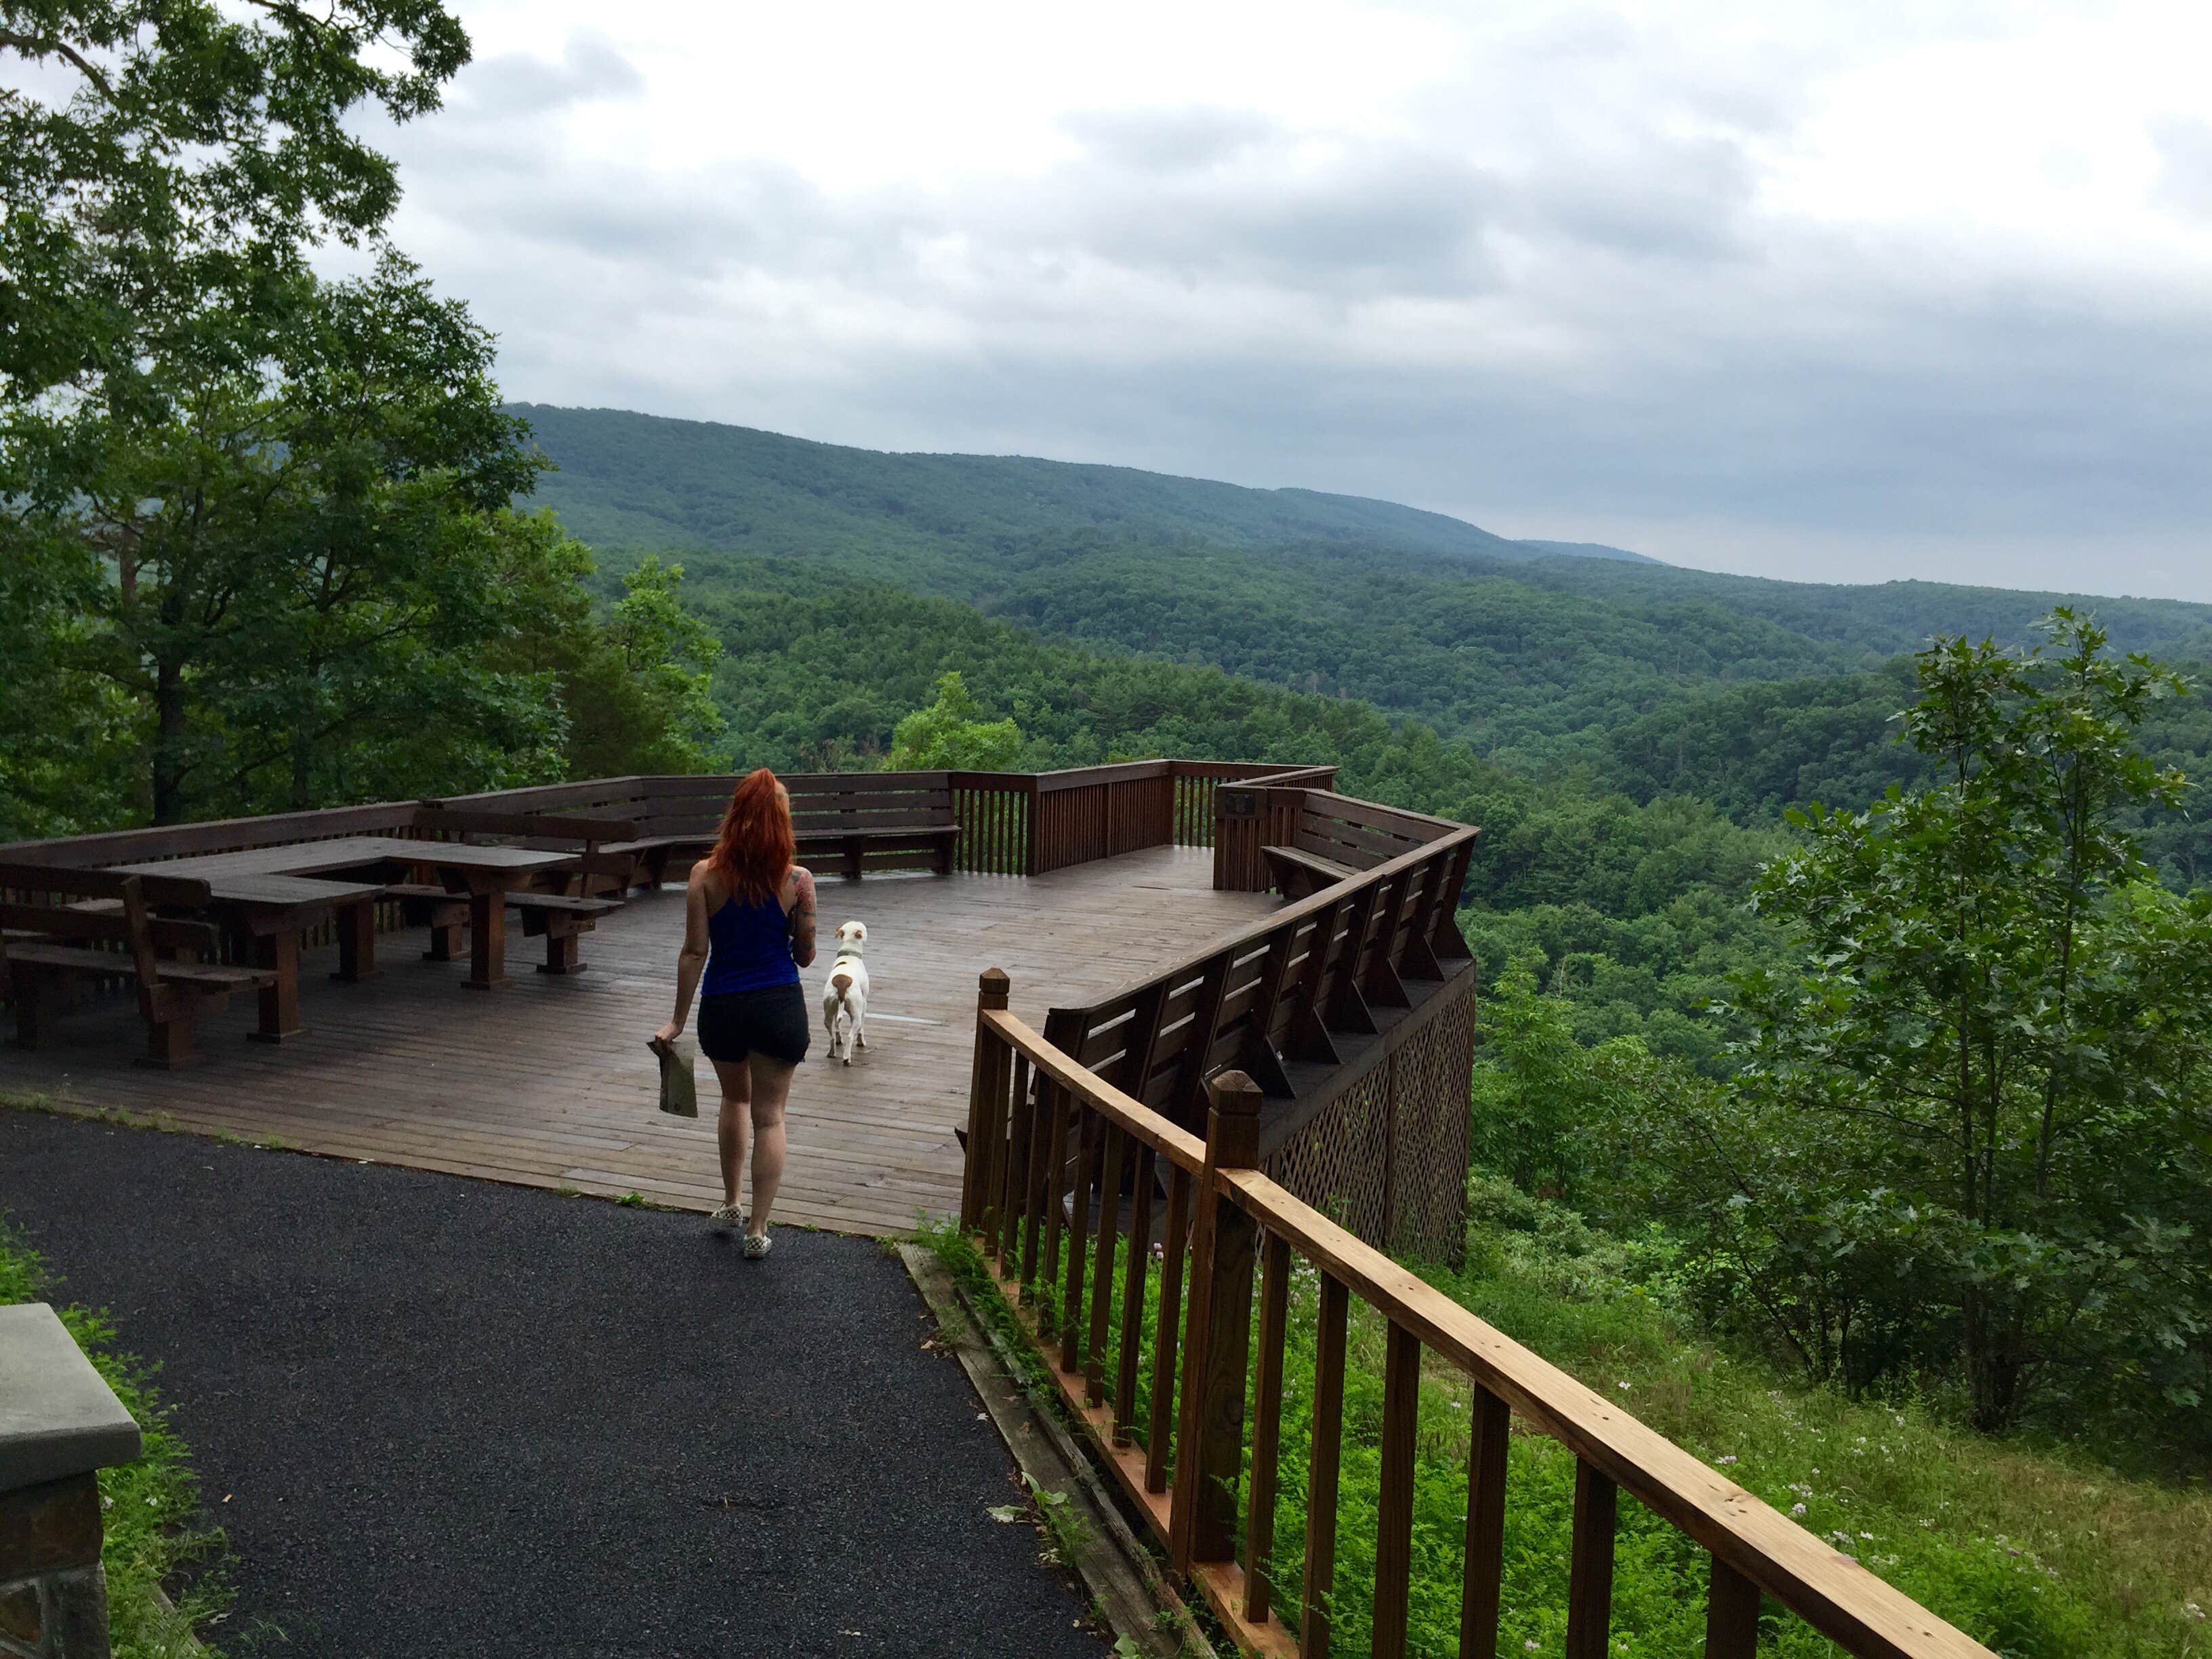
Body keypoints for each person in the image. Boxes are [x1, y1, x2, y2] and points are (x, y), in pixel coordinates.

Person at [655, 768, 817, 1259]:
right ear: (781, 822)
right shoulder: (797, 880)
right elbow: (806, 955)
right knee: (771, 1117)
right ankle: (758, 1230)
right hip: (778, 1007)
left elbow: (693, 952)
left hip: (722, 1006)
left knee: (735, 1102)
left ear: (737, 817)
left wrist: (677, 1021)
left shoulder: (705, 875)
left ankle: (731, 1202)